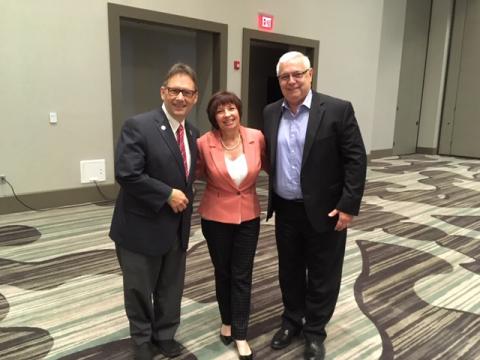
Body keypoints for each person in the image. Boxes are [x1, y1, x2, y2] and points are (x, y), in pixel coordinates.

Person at [263, 51, 367, 360]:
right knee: (290, 270)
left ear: (311, 74)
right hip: (286, 208)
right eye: (285, 76)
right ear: (279, 81)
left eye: (298, 74)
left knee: (323, 272)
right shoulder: (271, 112)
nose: (292, 81)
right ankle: (292, 321)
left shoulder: (337, 110)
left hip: (327, 209)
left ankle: (314, 332)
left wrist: (348, 205)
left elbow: (356, 159)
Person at [109, 63, 200, 360]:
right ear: (163, 92)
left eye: (187, 92)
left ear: (195, 97)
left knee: (171, 286)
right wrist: (166, 195)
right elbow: (127, 173)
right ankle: (142, 339)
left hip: (176, 227)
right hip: (140, 228)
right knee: (139, 288)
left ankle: (165, 334)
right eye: (174, 90)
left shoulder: (193, 133)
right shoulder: (139, 125)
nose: (180, 98)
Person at [196, 91, 267, 360]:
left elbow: (271, 165)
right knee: (222, 272)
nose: (227, 114)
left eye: (232, 108)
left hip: (248, 216)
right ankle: (226, 320)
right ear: (213, 117)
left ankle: (240, 332)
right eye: (220, 111)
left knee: (242, 275)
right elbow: (197, 172)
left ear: (239, 111)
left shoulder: (256, 137)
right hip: (215, 218)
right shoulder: (204, 142)